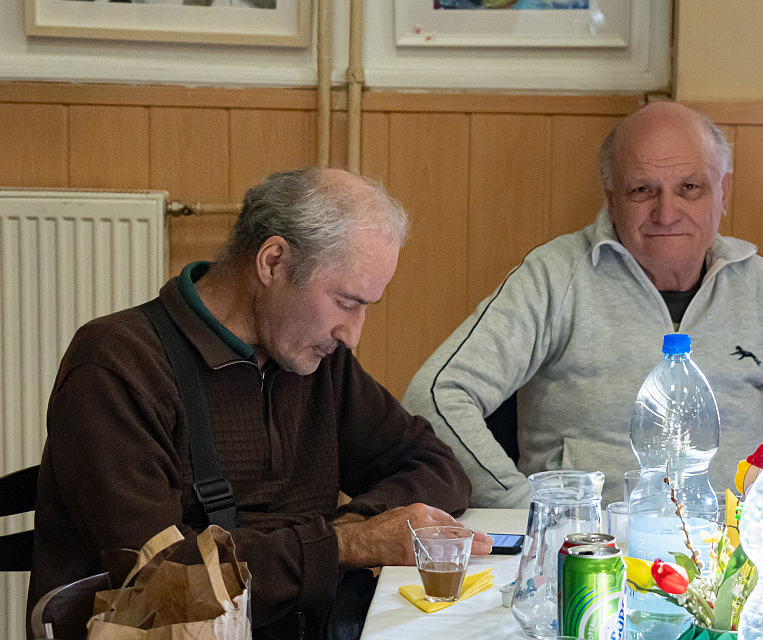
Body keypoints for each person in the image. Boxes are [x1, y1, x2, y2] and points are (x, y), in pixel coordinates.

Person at [27, 167, 491, 640]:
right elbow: (160, 585)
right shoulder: (116, 365)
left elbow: (436, 466)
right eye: (346, 302)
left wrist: (356, 527)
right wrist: (347, 544)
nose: (352, 335)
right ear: (272, 262)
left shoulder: (316, 360)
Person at [402, 102, 763, 512]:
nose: (666, 212)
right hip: (587, 562)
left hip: (727, 571)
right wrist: (524, 509)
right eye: (643, 190)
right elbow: (437, 394)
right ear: (611, 198)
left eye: (689, 188)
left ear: (723, 193)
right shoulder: (555, 277)